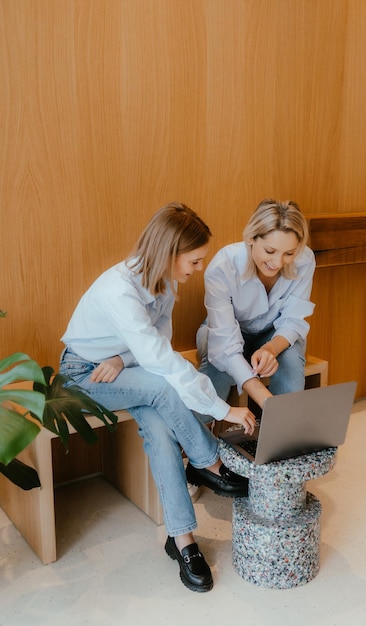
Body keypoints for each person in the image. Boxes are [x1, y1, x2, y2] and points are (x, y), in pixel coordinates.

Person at [59, 203, 256, 593]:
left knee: (160, 428)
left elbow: (156, 345)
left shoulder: (165, 282)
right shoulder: (120, 290)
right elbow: (161, 362)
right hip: (82, 376)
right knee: (164, 387)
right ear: (170, 252)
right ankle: (207, 461)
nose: (197, 269)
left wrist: (120, 357)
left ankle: (182, 541)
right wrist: (223, 408)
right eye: (195, 260)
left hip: (121, 369)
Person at [197, 198, 316, 412]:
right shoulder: (223, 266)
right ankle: (195, 438)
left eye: (289, 253)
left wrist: (271, 347)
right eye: (270, 251)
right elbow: (225, 344)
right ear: (251, 238)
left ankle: (282, 438)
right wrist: (263, 398)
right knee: (217, 381)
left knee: (290, 364)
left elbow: (293, 320)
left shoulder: (305, 260)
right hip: (224, 330)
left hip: (272, 332)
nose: (278, 263)